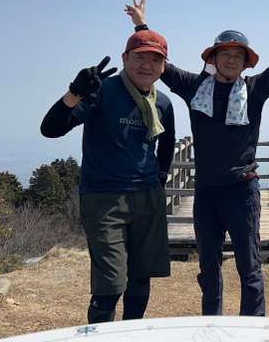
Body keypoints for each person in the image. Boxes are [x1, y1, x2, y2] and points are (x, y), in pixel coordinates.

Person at [125, 0, 269, 316]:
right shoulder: (194, 87)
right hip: (207, 192)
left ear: (246, 62)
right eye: (225, 54)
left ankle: (251, 328)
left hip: (243, 191)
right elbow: (161, 65)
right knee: (208, 268)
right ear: (213, 58)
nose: (231, 60)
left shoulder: (255, 89)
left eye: (238, 55)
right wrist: (141, 25)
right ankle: (211, 324)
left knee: (249, 266)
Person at [40, 29, 175, 324]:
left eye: (156, 59)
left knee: (140, 277)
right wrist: (74, 94)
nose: (147, 65)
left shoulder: (163, 103)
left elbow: (167, 142)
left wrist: (160, 177)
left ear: (164, 66)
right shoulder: (102, 91)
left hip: (148, 197)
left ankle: (131, 336)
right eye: (139, 57)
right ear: (125, 58)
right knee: (110, 284)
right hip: (104, 198)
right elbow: (50, 129)